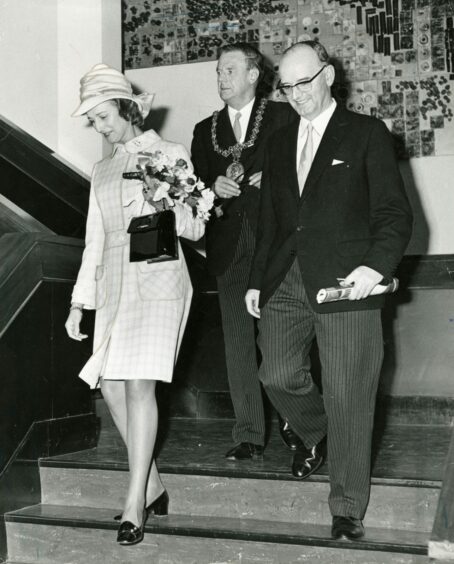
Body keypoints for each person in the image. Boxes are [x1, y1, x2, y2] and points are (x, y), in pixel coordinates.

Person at [245, 41, 413, 540]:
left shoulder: (366, 133)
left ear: (328, 74)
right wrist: (257, 279)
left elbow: (394, 214)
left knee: (349, 393)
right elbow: (269, 221)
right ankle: (317, 434)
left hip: (347, 284)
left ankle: (346, 506)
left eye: (304, 82)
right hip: (286, 277)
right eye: (286, 87)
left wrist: (374, 267)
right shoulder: (277, 143)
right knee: (275, 373)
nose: (295, 95)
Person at [65, 64, 205, 546]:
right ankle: (154, 484)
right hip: (115, 284)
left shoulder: (170, 154)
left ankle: (133, 504)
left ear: (126, 109)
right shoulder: (100, 170)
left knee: (140, 385)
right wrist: (79, 303)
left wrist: (165, 201)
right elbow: (92, 243)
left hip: (161, 278)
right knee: (110, 388)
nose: (99, 127)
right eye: (93, 120)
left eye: (104, 117)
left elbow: (198, 227)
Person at [191, 43, 300, 460]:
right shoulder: (205, 130)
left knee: (281, 341)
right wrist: (212, 188)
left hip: (275, 242)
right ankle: (250, 433)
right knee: (238, 342)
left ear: (254, 75)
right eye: (218, 71)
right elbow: (195, 185)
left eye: (230, 70)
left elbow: (301, 167)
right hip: (228, 246)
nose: (221, 77)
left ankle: (298, 420)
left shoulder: (282, 116)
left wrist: (268, 180)